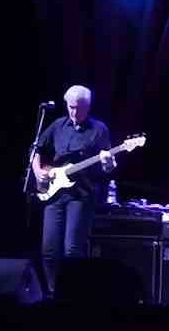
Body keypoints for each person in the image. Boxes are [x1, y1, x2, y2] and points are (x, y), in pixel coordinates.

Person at [32, 85, 117, 297]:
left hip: (81, 195)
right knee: (49, 250)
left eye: (79, 108)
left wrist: (107, 162)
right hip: (55, 193)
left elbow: (108, 168)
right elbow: (37, 149)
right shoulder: (58, 125)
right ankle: (52, 292)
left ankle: (73, 295)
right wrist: (38, 172)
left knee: (73, 249)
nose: (74, 112)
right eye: (71, 107)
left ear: (88, 107)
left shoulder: (99, 129)